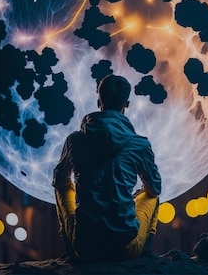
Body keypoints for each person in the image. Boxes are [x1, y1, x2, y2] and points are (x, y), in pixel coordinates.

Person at [52, 74, 162, 261]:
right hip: (125, 248)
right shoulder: (140, 145)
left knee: (61, 187)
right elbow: (154, 188)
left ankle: (71, 252)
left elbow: (59, 180)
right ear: (126, 105)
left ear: (98, 101)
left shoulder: (75, 140)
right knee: (152, 195)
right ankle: (142, 253)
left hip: (85, 248)